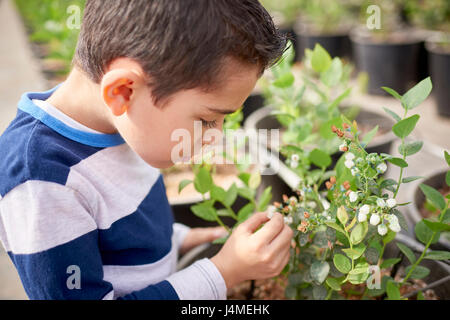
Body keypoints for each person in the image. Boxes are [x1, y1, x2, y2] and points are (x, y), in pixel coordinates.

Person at [0, 0, 293, 300]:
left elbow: (118, 231)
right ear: (123, 91)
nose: (214, 137)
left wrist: (178, 239)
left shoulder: (123, 121)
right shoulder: (42, 180)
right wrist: (224, 271)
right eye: (207, 120)